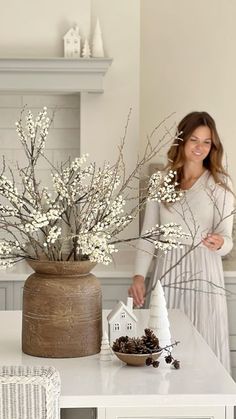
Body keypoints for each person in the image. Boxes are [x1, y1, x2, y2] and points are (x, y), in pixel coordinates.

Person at [129, 111, 235, 372]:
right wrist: (138, 276)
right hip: (168, 270)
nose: (200, 147)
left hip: (204, 272)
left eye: (206, 142)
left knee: (204, 340)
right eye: (194, 140)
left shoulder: (220, 184)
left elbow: (228, 241)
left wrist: (220, 242)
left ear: (213, 146)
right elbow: (149, 234)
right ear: (181, 141)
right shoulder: (161, 181)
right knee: (166, 339)